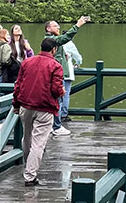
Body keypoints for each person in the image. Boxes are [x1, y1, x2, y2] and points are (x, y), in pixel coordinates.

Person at [12, 38, 65, 187]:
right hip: (45, 107)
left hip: (26, 106)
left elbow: (18, 85)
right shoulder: (55, 65)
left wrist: (16, 104)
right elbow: (55, 89)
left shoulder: (26, 62)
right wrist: (61, 91)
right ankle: (30, 175)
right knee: (38, 143)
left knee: (27, 138)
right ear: (54, 50)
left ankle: (28, 167)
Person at [44, 16, 91, 135]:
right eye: (55, 26)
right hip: (55, 74)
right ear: (48, 29)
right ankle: (56, 126)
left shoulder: (52, 41)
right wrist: (78, 25)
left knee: (55, 100)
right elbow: (65, 38)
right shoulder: (51, 40)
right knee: (58, 99)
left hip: (55, 73)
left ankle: (53, 125)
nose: (58, 27)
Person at [59, 39, 83, 127]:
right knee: (65, 95)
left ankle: (56, 114)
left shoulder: (55, 42)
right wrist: (77, 64)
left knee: (57, 95)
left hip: (56, 71)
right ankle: (64, 115)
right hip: (67, 72)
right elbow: (78, 57)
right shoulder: (69, 44)